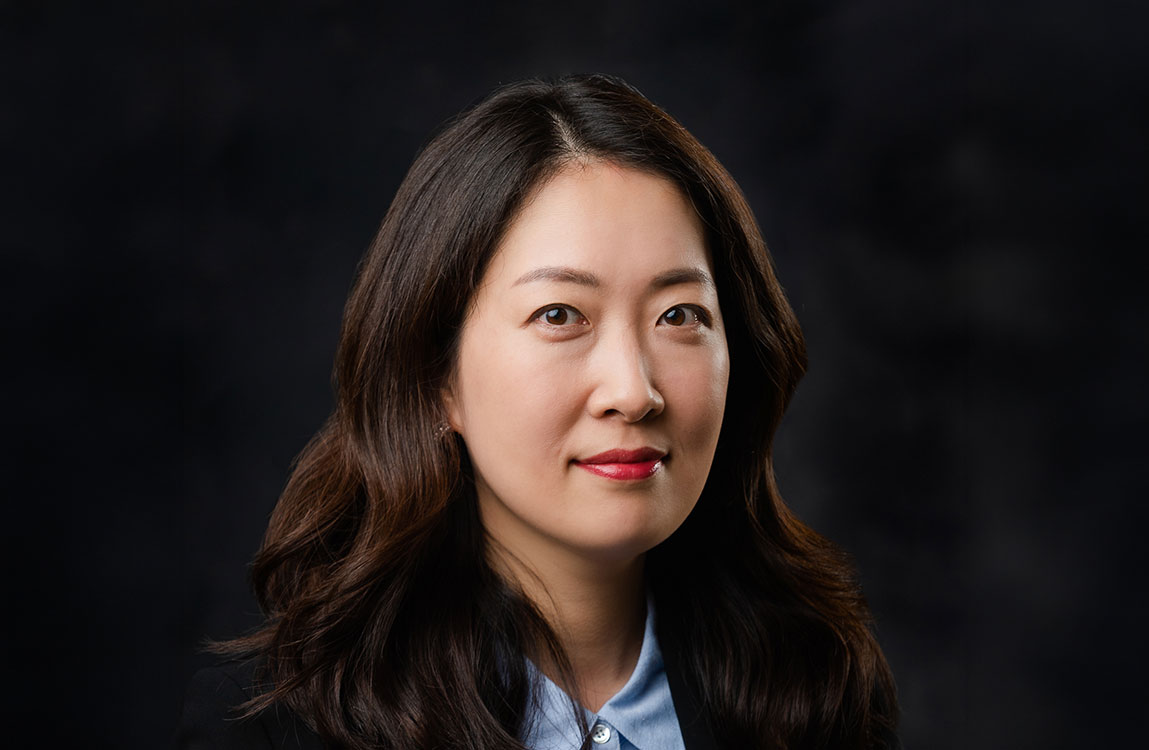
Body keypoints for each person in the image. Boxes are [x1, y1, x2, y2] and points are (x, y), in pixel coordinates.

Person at [176, 73, 899, 750]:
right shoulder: (282, 723)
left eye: (679, 314)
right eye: (559, 314)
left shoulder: (814, 691)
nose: (632, 390)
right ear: (435, 377)